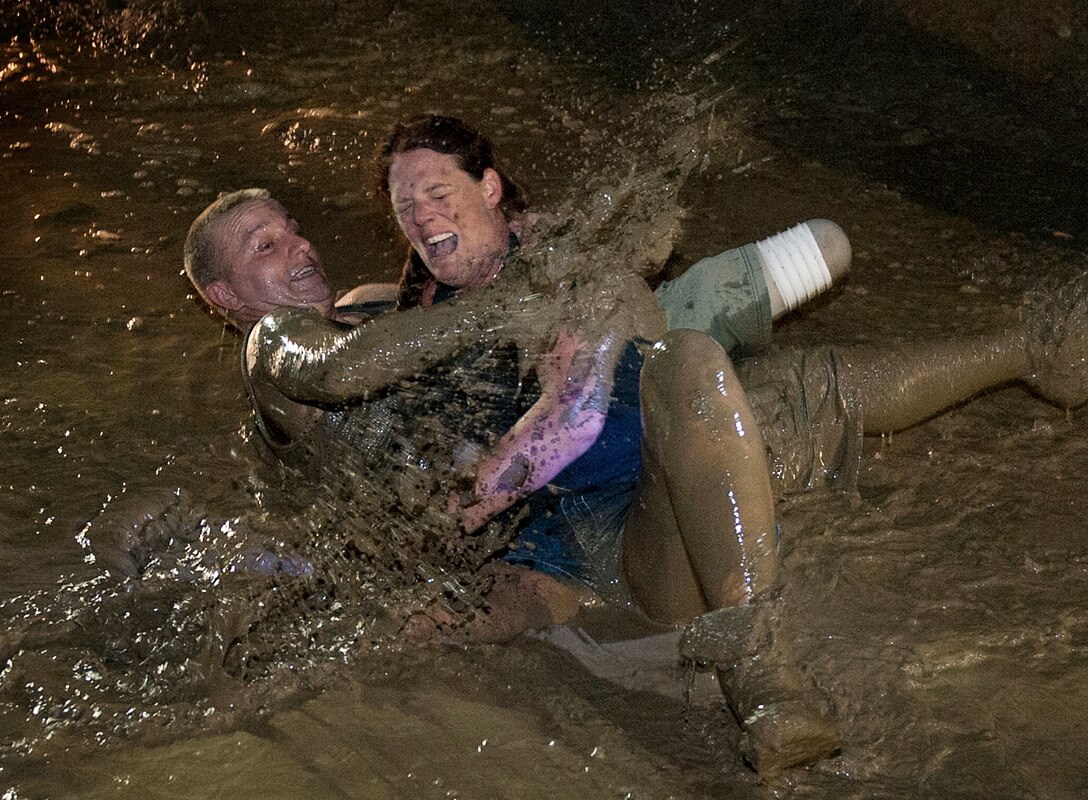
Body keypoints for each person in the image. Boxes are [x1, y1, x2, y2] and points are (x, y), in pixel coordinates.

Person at [372, 114, 1088, 771]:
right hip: (623, 543)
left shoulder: (563, 255)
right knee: (727, 379)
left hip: (684, 433)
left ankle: (1035, 352)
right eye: (407, 208)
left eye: (438, 192)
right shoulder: (414, 326)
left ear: (489, 187)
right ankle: (767, 685)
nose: (423, 216)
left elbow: (627, 287)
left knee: (712, 366)